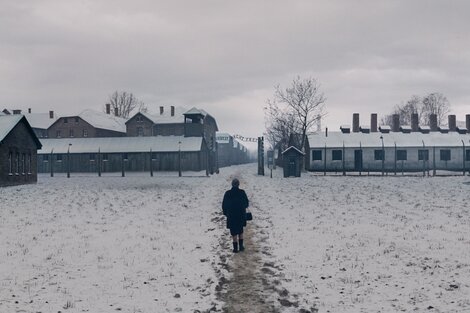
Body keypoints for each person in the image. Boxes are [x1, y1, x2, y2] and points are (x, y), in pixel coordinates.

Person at [222, 178, 249, 253]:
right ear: (238, 184)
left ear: (232, 184)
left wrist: (226, 213)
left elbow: (224, 205)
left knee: (233, 232)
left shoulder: (227, 193)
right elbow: (246, 204)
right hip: (240, 215)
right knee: (240, 231)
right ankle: (241, 246)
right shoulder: (242, 192)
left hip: (231, 216)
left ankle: (235, 248)